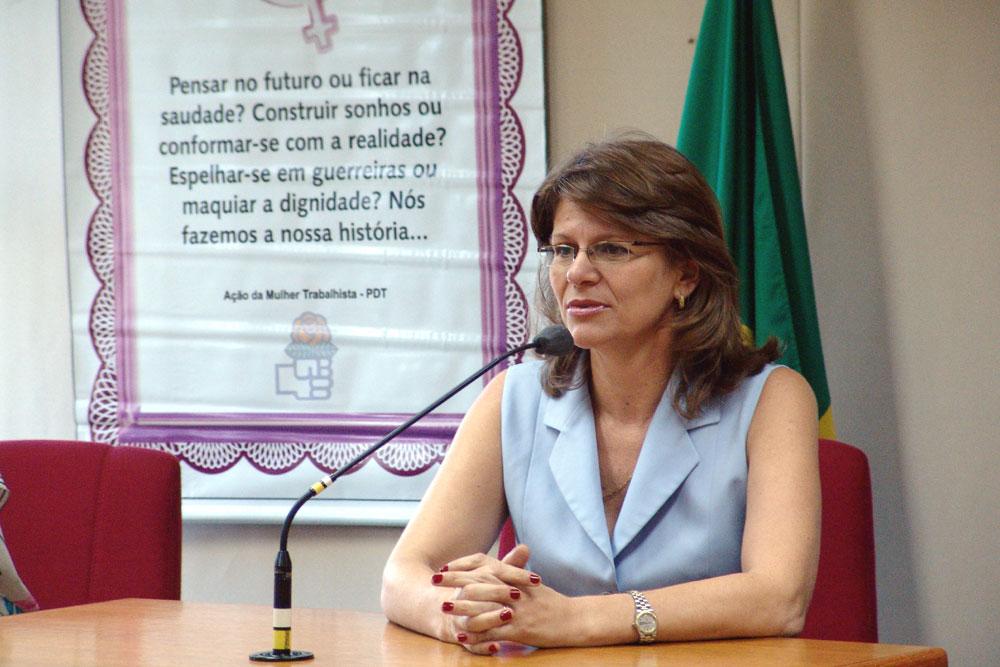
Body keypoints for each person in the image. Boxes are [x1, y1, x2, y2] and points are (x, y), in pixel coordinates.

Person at [381, 135, 820, 655]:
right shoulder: (515, 399)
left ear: (686, 273)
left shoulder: (771, 399)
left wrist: (577, 619)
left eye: (612, 249)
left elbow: (778, 598)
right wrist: (468, 616)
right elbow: (404, 575)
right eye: (564, 250)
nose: (578, 273)